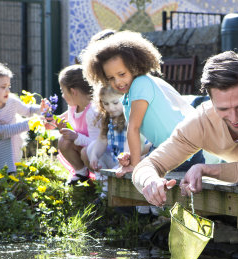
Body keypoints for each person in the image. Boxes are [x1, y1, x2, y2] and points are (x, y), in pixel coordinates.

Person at [129, 51, 238, 207]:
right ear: (210, 100)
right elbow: (147, 166)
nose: (235, 117)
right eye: (223, 109)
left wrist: (205, 169)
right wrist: (150, 181)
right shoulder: (200, 122)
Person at [80, 30, 204, 177]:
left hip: (183, 150)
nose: (117, 82)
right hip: (173, 148)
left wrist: (135, 165)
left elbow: (134, 128)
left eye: (122, 74)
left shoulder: (141, 84)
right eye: (111, 78)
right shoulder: (130, 93)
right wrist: (133, 156)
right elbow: (156, 136)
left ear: (134, 67)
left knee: (143, 178)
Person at [86, 85, 150, 173]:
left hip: (134, 158)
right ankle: (103, 181)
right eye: (106, 103)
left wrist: (125, 162)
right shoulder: (109, 117)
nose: (111, 108)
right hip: (117, 159)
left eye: (115, 103)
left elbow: (133, 144)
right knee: (92, 148)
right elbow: (102, 140)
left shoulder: (130, 117)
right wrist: (94, 155)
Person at [56, 64, 101, 185]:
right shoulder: (74, 106)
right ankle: (81, 172)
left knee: (85, 152)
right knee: (63, 141)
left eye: (62, 91)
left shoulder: (93, 112)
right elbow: (63, 118)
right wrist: (52, 121)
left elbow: (96, 145)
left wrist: (75, 137)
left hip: (97, 152)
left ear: (72, 91)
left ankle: (100, 179)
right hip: (82, 144)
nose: (62, 95)